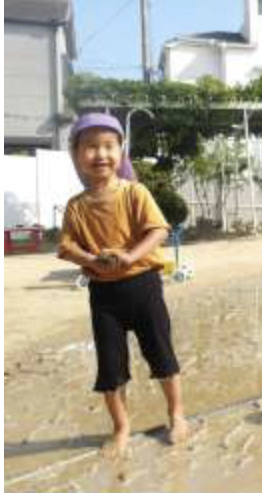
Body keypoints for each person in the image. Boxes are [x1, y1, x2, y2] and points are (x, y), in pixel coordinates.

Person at [57, 113, 188, 458]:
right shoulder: (76, 207)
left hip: (144, 286)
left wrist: (130, 257)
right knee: (110, 367)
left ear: (121, 151)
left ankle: (176, 414)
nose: (100, 154)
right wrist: (90, 258)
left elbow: (158, 231)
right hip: (104, 296)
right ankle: (121, 427)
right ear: (76, 154)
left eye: (108, 146)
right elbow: (66, 247)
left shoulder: (135, 192)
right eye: (91, 147)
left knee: (161, 354)